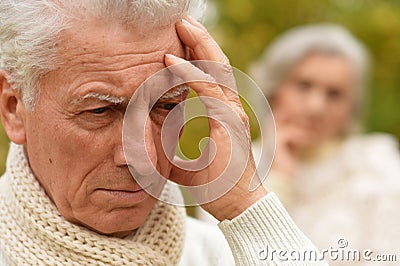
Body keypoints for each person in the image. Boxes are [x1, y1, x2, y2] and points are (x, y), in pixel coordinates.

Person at [0, 1, 326, 265]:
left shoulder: (222, 252)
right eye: (99, 112)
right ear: (13, 108)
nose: (144, 157)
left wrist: (245, 205)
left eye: (166, 106)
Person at [250, 23, 400, 261]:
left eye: (334, 94)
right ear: (274, 89)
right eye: (304, 85)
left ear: (351, 107)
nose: (316, 107)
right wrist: (278, 181)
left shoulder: (377, 166)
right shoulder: (237, 168)